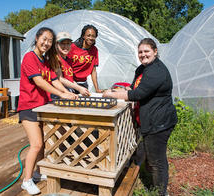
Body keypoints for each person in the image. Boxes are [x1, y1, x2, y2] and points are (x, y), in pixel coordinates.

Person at [102, 38, 178, 196]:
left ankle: (160, 192)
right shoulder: (142, 69)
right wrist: (119, 91)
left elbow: (138, 94)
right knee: (149, 152)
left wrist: (111, 95)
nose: (143, 55)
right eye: (140, 52)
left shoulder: (156, 70)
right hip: (150, 120)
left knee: (157, 160)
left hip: (159, 122)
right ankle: (145, 173)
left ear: (155, 51)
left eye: (146, 51)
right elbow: (133, 87)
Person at [18, 27, 77, 195]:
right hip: (28, 106)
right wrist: (60, 94)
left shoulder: (45, 60)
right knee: (36, 144)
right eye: (44, 39)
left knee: (43, 144)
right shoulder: (29, 57)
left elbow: (54, 80)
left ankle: (37, 173)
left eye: (50, 41)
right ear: (37, 38)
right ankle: (26, 181)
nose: (46, 43)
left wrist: (68, 93)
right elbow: (39, 82)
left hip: (42, 106)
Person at [67, 25, 102, 93]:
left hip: (83, 83)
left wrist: (97, 89)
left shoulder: (94, 50)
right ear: (83, 36)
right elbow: (67, 67)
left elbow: (93, 71)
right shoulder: (72, 47)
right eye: (88, 35)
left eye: (93, 36)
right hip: (71, 82)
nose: (91, 38)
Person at [55, 31, 90, 97]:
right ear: (56, 44)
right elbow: (60, 79)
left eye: (68, 43)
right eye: (62, 43)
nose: (65, 46)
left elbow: (69, 78)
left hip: (69, 91)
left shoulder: (69, 60)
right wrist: (79, 88)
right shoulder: (56, 59)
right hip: (60, 93)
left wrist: (80, 88)